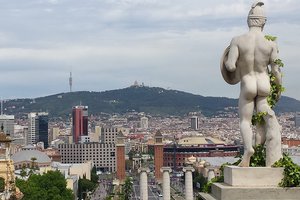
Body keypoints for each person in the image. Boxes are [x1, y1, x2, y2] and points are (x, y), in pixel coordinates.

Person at [221, 1, 282, 167]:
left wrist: (230, 62)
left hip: (248, 84)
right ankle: (264, 151)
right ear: (264, 21)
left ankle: (249, 149)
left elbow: (230, 66)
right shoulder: (271, 44)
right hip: (264, 84)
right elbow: (276, 71)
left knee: (245, 121)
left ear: (248, 21)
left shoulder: (238, 40)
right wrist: (278, 89)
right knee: (264, 118)